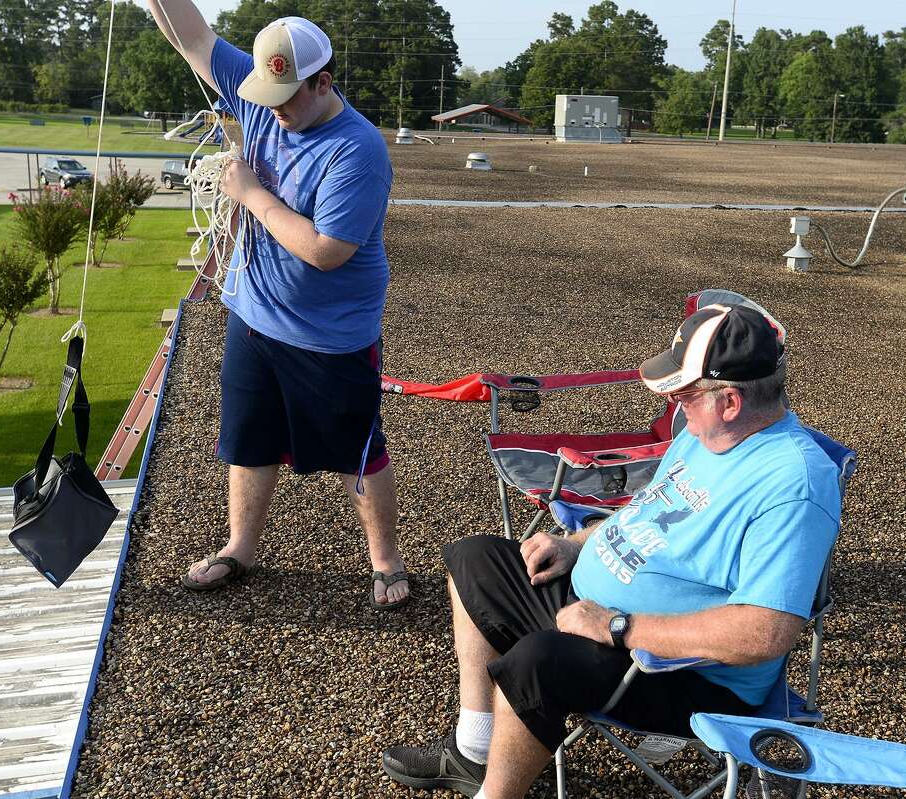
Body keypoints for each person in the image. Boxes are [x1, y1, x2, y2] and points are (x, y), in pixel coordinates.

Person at [382, 303, 843, 797]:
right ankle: (474, 752)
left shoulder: (794, 484)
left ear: (729, 401)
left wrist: (619, 627)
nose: (677, 406)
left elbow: (765, 632)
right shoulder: (704, 434)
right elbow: (646, 508)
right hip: (598, 614)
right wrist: (577, 543)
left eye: (684, 395)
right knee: (477, 560)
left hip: (682, 670)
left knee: (539, 661)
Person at [144, 4, 409, 609]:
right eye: (269, 95)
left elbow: (325, 250)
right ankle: (241, 548)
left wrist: (250, 194)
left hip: (331, 336)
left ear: (324, 80)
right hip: (254, 318)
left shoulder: (358, 150)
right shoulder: (263, 98)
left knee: (358, 450)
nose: (276, 110)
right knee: (248, 440)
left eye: (289, 96)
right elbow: (192, 38)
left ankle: (386, 563)